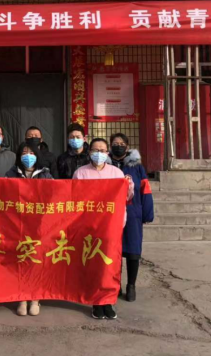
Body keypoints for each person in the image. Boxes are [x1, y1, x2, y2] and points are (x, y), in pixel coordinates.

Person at [74, 138, 134, 321]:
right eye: (95, 150)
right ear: (89, 152)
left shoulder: (116, 173)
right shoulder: (80, 173)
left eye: (102, 150)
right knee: (93, 264)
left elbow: (126, 197)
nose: (99, 153)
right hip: (89, 226)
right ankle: (96, 300)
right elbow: (74, 198)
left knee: (110, 264)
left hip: (111, 226)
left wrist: (128, 184)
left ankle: (108, 300)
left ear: (107, 153)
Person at [5, 141, 53, 316]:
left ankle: (35, 298)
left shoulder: (46, 174)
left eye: (31, 153)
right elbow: (3, 197)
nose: (28, 156)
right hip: (17, 225)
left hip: (40, 226)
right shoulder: (10, 174)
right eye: (24, 153)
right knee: (21, 261)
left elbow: (54, 197)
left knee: (37, 261)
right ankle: (22, 298)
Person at [105, 133, 154, 303]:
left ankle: (131, 285)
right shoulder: (105, 165)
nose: (118, 146)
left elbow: (145, 190)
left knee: (133, 251)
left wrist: (147, 213)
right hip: (111, 214)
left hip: (133, 212)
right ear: (110, 146)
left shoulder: (137, 167)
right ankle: (115, 284)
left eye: (121, 144)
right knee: (113, 251)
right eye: (115, 143)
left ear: (127, 146)